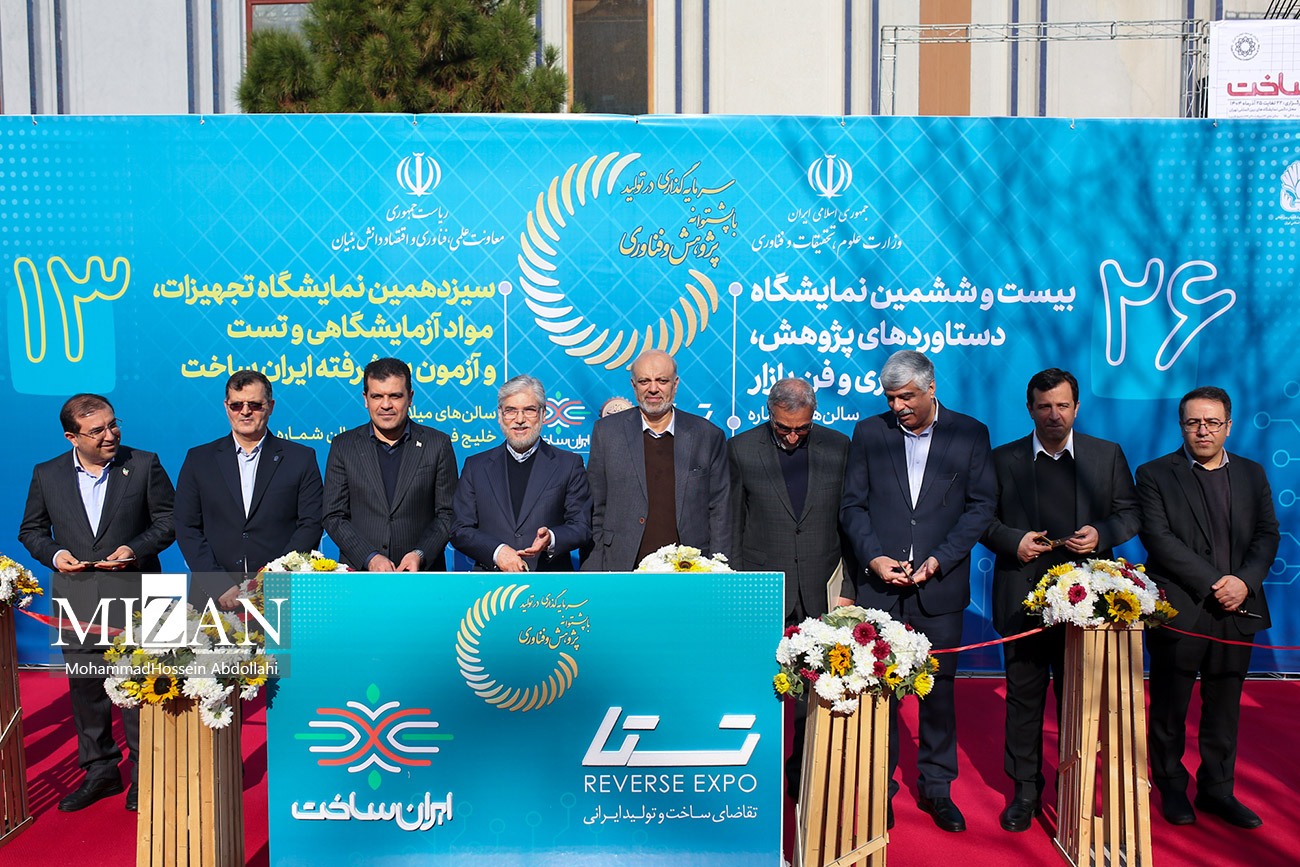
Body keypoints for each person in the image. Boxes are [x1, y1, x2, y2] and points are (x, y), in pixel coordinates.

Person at [839, 349, 995, 832]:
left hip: (939, 588)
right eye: (890, 398)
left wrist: (940, 559)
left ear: (931, 388)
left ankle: (937, 787)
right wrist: (873, 558)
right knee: (878, 691)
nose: (898, 406)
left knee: (938, 691)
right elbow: (852, 506)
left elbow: (981, 506)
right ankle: (878, 788)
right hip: (880, 589)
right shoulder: (870, 432)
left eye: (906, 396)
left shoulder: (969, 433)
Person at [981, 368, 1141, 832]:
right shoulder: (1002, 459)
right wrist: (1013, 541)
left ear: (1077, 407)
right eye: (1045, 406)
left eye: (1063, 406)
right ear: (1030, 409)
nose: (1054, 415)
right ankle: (1025, 792)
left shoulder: (1106, 455)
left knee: (1081, 703)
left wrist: (1102, 534)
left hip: (1087, 606)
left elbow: (1131, 513)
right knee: (1023, 701)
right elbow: (981, 519)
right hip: (1023, 603)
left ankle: (1076, 788)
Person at [18, 394, 175, 813]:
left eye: (112, 424)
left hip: (139, 597)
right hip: (78, 601)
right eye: (97, 430)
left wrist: (134, 549)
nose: (111, 434)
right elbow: (31, 530)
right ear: (72, 437)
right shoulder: (47, 474)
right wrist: (55, 555)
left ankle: (146, 774)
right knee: (87, 691)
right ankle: (100, 771)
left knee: (140, 689)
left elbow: (168, 521)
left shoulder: (143, 464)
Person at [1137, 386, 1279, 830]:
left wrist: (1244, 582)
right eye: (1194, 422)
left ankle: (1218, 790)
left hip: (1238, 609)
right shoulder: (1155, 474)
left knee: (1225, 708)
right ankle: (1171, 786)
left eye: (1212, 422)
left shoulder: (1252, 473)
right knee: (1169, 707)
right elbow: (1159, 538)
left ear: (1228, 426)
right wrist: (1216, 583)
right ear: (1181, 426)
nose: (1203, 430)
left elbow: (1267, 534)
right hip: (1182, 610)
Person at [729, 376, 850, 811]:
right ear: (769, 414)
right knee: (758, 689)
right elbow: (731, 524)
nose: (794, 436)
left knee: (812, 695)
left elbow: (851, 522)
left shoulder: (838, 448)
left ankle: (803, 778)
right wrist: (738, 587)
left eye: (802, 428)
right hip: (763, 587)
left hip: (821, 588)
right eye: (784, 428)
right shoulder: (741, 449)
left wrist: (849, 588)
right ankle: (754, 775)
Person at [174, 370, 323, 605]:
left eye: (254, 405)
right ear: (226, 406)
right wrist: (217, 584)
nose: (245, 411)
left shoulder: (300, 459)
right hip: (215, 596)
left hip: (281, 596)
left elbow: (311, 524)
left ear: (270, 406)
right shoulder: (199, 460)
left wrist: (275, 578)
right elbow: (186, 527)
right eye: (236, 405)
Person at [584, 349, 730, 571]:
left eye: (662, 381)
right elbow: (595, 509)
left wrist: (717, 569)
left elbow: (720, 510)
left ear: (675, 384)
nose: (653, 389)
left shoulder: (707, 435)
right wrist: (595, 570)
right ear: (634, 386)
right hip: (622, 566)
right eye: (645, 381)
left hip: (690, 570)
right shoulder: (607, 433)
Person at [323, 357, 458, 571]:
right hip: (360, 576)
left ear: (410, 398)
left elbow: (447, 513)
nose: (386, 405)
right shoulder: (344, 446)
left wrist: (420, 554)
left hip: (421, 576)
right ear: (366, 399)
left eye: (395, 396)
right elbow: (334, 516)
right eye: (377, 396)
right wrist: (369, 557)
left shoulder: (437, 444)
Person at [452, 375, 592, 571]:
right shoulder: (475, 467)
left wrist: (551, 539)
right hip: (490, 583)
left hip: (549, 581)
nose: (519, 420)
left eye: (529, 410)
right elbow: (459, 529)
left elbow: (581, 526)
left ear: (543, 414)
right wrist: (497, 552)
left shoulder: (568, 465)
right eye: (511, 411)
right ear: (500, 415)